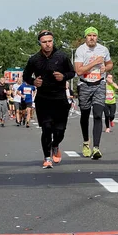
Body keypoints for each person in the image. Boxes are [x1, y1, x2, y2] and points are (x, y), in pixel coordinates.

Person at [23, 30, 76, 169]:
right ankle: (47, 158)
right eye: (44, 42)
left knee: (60, 131)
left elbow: (72, 72)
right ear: (40, 43)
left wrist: (63, 77)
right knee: (46, 128)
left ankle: (55, 144)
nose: (47, 44)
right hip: (43, 98)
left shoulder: (62, 56)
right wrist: (34, 82)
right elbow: (26, 76)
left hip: (60, 99)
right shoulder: (34, 59)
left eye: (50, 41)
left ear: (53, 41)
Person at [74, 27, 113, 159]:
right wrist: (94, 63)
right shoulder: (81, 50)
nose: (92, 38)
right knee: (84, 115)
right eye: (89, 35)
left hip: (99, 84)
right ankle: (86, 142)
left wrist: (105, 67)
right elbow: (78, 71)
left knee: (98, 114)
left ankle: (96, 148)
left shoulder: (103, 49)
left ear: (97, 37)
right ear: (86, 37)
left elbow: (110, 64)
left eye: (94, 35)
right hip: (85, 84)